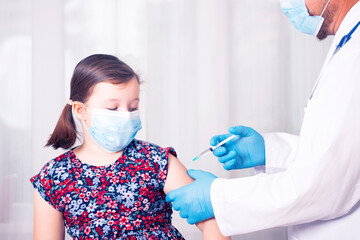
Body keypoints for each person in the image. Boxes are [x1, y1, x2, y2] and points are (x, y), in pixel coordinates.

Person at [166, 0, 360, 239]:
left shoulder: (355, 57)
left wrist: (217, 197)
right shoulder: (349, 43)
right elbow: (342, 156)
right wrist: (270, 151)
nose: (287, 4)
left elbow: (324, 187)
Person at [30, 54, 229, 240]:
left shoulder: (157, 160)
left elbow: (213, 221)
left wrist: (216, 202)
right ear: (81, 110)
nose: (126, 115)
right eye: (113, 108)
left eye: (133, 107)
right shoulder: (54, 177)